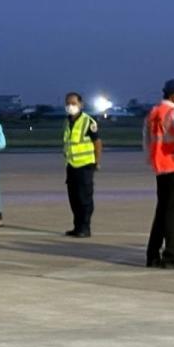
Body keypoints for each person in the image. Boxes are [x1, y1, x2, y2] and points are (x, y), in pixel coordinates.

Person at [144, 79, 174, 268]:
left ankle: (153, 254)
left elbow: (147, 141)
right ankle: (171, 257)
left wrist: (154, 160)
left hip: (161, 168)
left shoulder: (154, 113)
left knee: (162, 212)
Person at [62, 92, 101, 238]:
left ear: (81, 105)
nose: (70, 106)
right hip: (71, 165)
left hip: (85, 166)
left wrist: (97, 161)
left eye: (73, 103)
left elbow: (97, 143)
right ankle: (77, 226)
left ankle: (85, 227)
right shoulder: (67, 122)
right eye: (68, 103)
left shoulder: (88, 122)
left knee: (84, 198)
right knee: (74, 198)